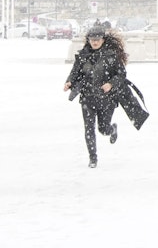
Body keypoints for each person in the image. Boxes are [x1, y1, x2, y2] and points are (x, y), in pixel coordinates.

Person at [63, 24, 148, 168]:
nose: (94, 42)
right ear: (88, 40)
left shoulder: (112, 56)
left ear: (103, 39)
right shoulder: (83, 56)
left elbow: (121, 74)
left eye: (97, 39)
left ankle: (112, 129)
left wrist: (110, 84)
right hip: (87, 98)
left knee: (103, 129)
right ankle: (93, 158)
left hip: (106, 99)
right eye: (92, 39)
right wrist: (69, 82)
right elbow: (75, 72)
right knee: (88, 129)